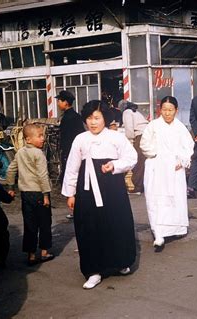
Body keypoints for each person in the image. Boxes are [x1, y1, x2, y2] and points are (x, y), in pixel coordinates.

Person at [62, 100, 137, 290]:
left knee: (117, 223)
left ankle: (120, 261)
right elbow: (72, 167)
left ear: (105, 118)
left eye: (97, 118)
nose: (93, 122)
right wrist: (70, 193)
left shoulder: (115, 137)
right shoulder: (81, 139)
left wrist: (115, 165)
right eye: (89, 118)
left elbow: (131, 158)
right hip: (86, 190)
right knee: (89, 228)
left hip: (112, 189)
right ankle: (93, 271)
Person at [140, 96, 194, 250]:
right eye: (164, 110)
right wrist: (157, 155)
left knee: (175, 198)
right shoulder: (153, 125)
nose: (167, 113)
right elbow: (144, 144)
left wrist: (182, 160)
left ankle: (177, 228)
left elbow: (188, 146)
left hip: (174, 169)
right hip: (157, 168)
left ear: (176, 111)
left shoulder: (180, 127)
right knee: (157, 199)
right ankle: (159, 232)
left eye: (170, 110)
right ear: (160, 110)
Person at [6, 124, 55, 266]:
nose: (43, 139)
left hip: (26, 195)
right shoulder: (39, 154)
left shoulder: (20, 152)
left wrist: (10, 187)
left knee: (30, 225)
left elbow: (10, 170)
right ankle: (44, 252)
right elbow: (42, 175)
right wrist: (46, 194)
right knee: (45, 223)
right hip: (39, 193)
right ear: (28, 139)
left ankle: (31, 255)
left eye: (42, 135)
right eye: (39, 136)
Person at [56, 90, 85, 219]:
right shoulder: (75, 116)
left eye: (59, 100)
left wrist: (64, 152)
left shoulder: (68, 118)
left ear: (65, 103)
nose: (57, 103)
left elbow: (68, 138)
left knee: (72, 179)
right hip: (75, 151)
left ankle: (76, 210)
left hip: (70, 152)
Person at [122, 101, 148, 194]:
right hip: (147, 135)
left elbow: (129, 128)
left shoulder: (127, 112)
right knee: (144, 162)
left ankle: (137, 187)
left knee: (138, 162)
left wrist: (130, 139)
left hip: (141, 136)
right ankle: (143, 185)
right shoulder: (135, 112)